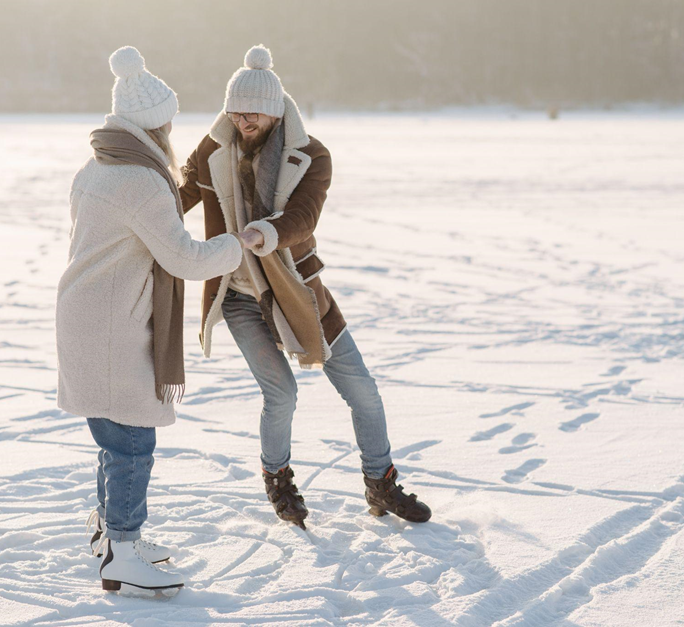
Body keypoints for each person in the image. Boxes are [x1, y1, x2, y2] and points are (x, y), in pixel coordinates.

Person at [179, 45, 432, 529]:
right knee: (282, 395)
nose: (240, 118)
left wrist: (265, 233)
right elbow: (179, 196)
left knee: (363, 391)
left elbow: (304, 215)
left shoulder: (311, 155)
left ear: (274, 111)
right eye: (234, 108)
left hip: (298, 290)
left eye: (251, 110)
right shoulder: (214, 148)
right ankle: (278, 480)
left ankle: (380, 482)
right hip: (238, 296)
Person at [56, 46, 261, 595]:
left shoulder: (96, 165)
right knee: (131, 442)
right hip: (111, 326)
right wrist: (236, 245)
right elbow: (185, 259)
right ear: (154, 127)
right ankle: (122, 548)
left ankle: (111, 534)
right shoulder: (142, 180)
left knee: (112, 435)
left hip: (88, 314)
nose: (172, 129)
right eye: (168, 121)